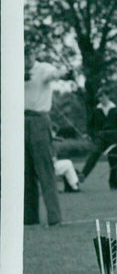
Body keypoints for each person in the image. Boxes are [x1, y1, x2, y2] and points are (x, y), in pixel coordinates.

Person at [24, 54, 67, 226]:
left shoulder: (43, 69)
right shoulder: (14, 70)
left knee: (45, 169)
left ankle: (54, 217)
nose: (25, 60)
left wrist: (66, 73)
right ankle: (29, 218)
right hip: (19, 121)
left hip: (39, 120)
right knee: (25, 172)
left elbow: (55, 74)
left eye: (27, 55)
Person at [81, 89, 117, 189]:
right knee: (94, 154)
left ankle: (113, 185)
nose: (100, 99)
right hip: (101, 137)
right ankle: (82, 175)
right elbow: (91, 125)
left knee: (113, 161)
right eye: (99, 97)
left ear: (107, 96)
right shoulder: (96, 110)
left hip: (114, 138)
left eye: (102, 96)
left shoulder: (115, 109)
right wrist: (88, 134)